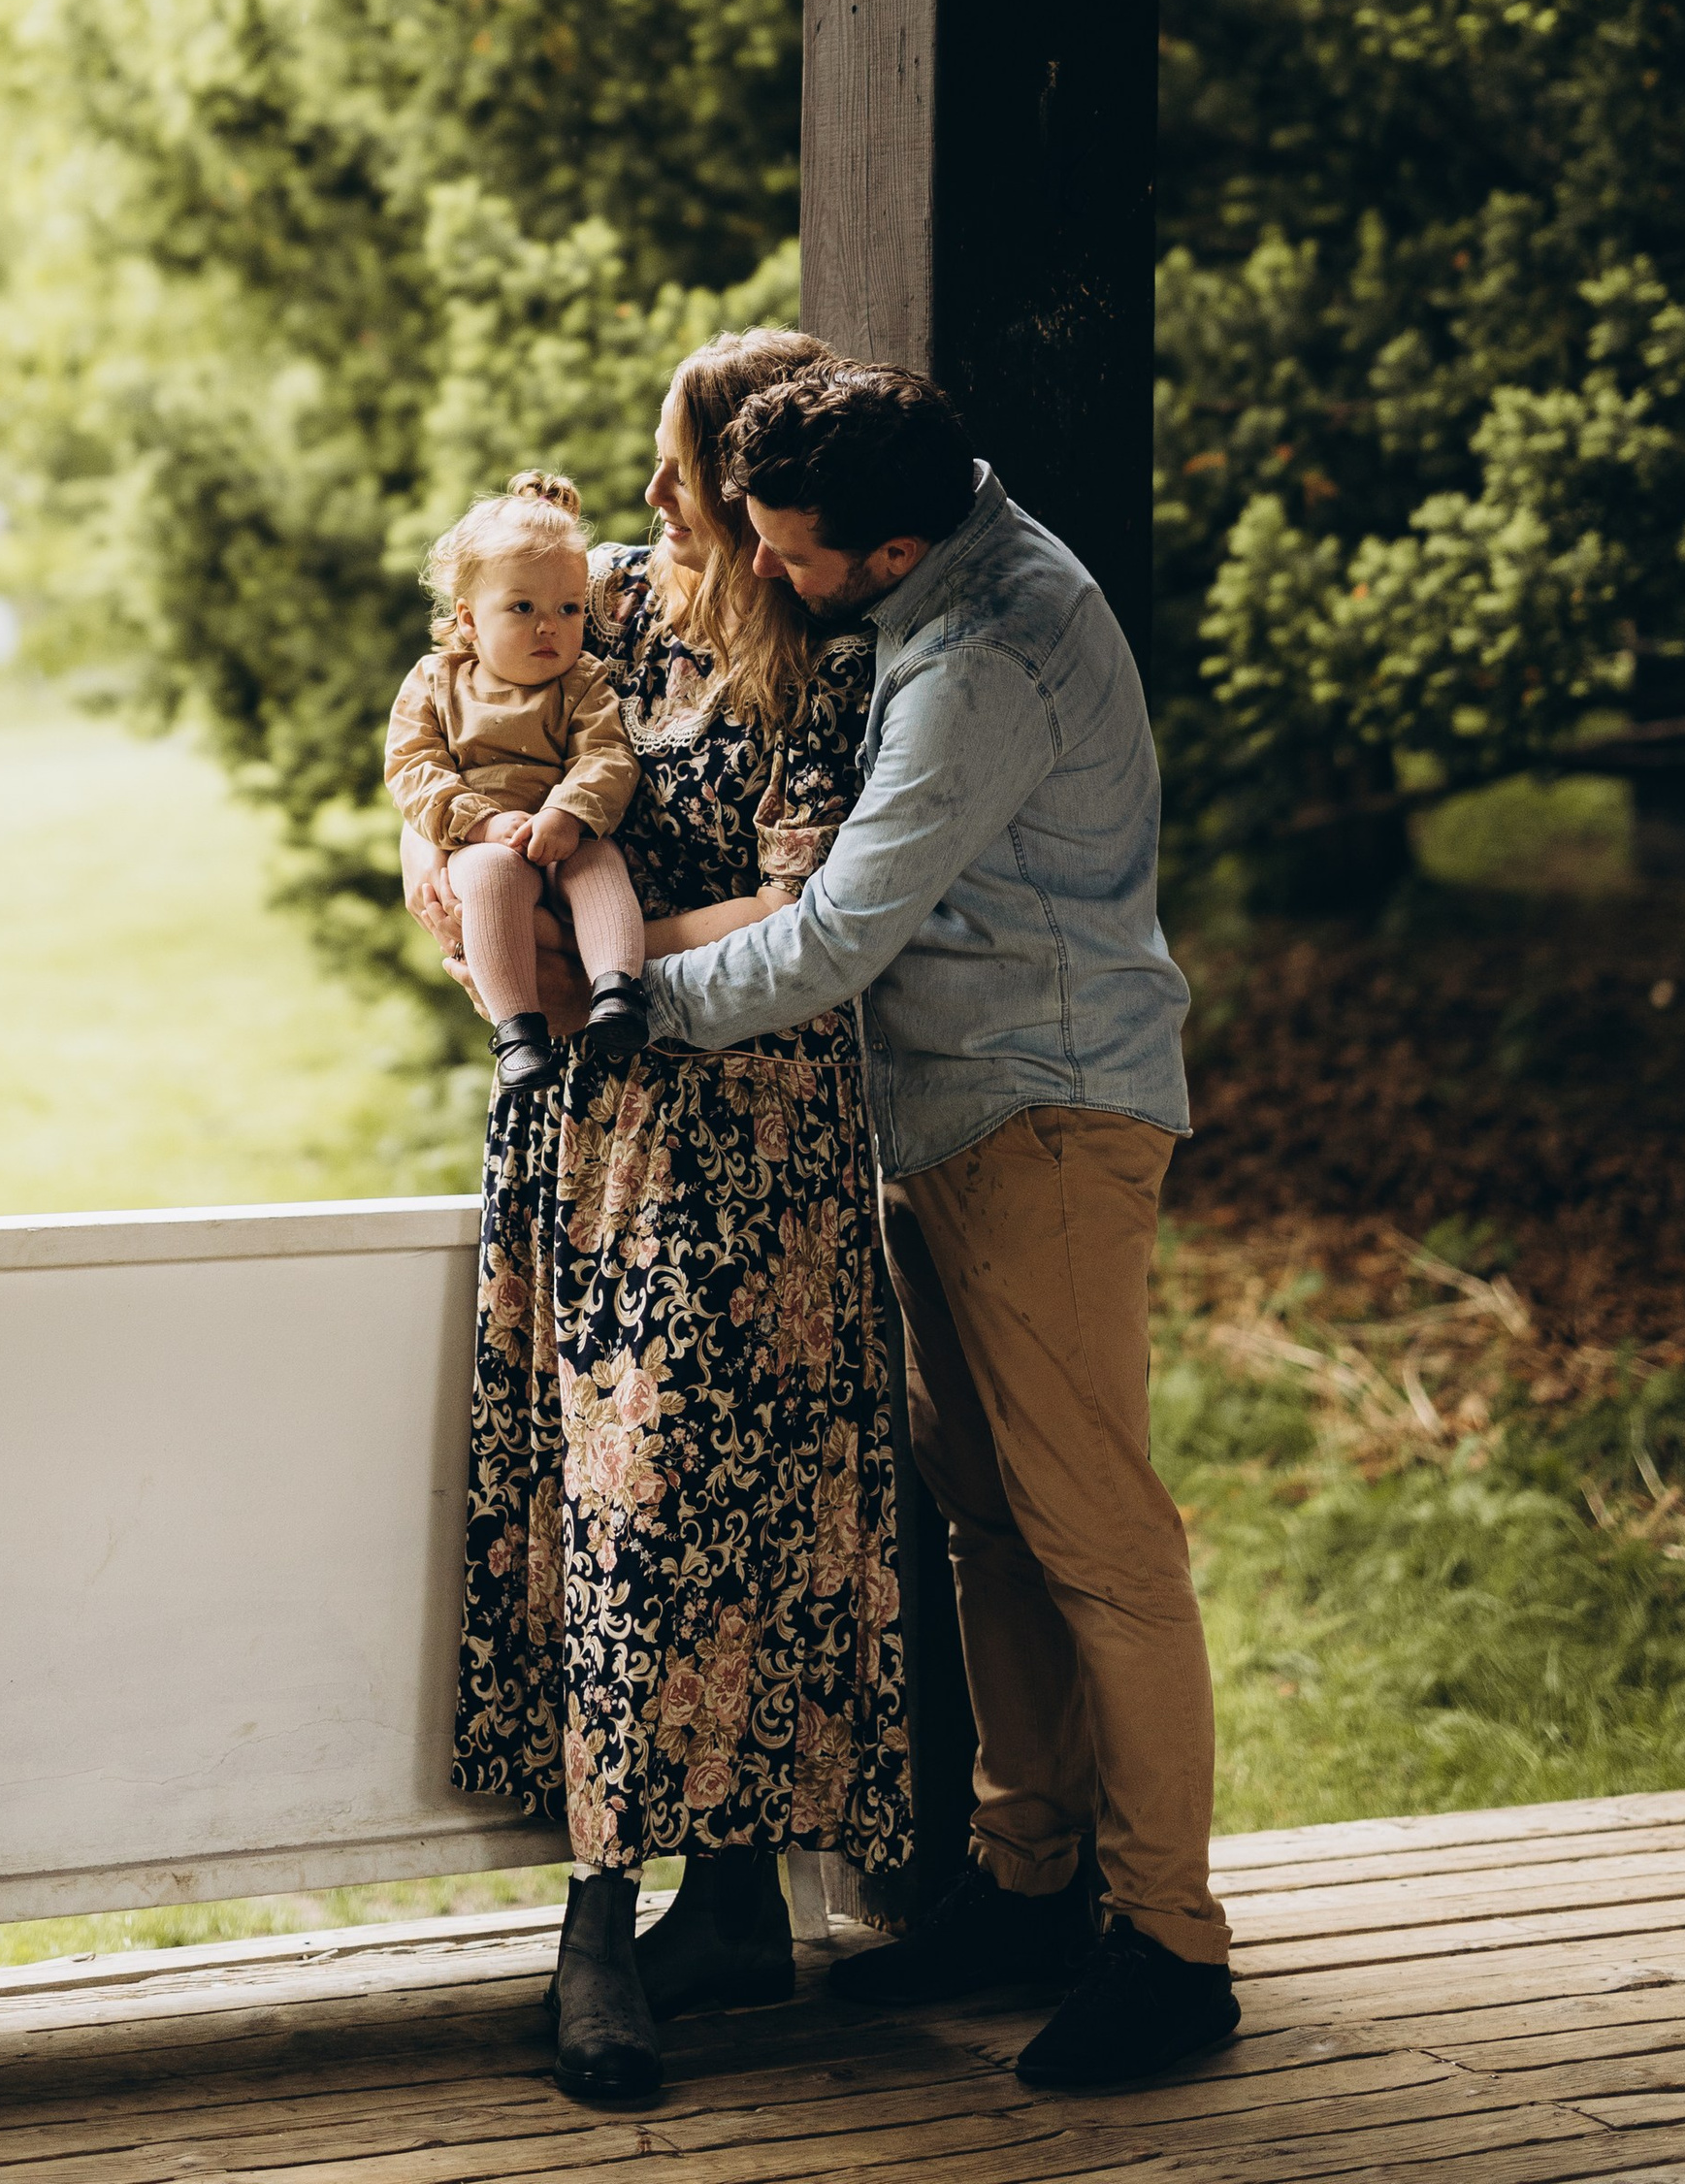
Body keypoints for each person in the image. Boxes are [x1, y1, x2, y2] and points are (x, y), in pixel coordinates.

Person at [637, 356, 1238, 2094]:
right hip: (959, 1111)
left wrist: (633, 1007)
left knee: (1099, 1541)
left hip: (1045, 1118)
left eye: (790, 554)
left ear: (889, 552)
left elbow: (832, 940)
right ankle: (1028, 1885)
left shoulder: (987, 655)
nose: (765, 576)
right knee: (988, 1523)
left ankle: (1172, 1949)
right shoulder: (927, 570)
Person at [406, 329, 911, 2109]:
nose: (640, 499)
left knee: (749, 1498)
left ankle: (733, 1900)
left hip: (760, 1136)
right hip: (591, 1125)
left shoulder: (824, 672)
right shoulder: (600, 608)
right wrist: (461, 877)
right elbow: (439, 717)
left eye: (669, 469)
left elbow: (810, 911)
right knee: (605, 1500)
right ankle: (600, 1913)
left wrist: (569, 947)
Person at [384, 472, 647, 1091]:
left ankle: (616, 993)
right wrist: (478, 821)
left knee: (600, 865)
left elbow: (608, 755)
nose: (549, 626)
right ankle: (517, 1029)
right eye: (522, 608)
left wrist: (569, 815)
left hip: (560, 831)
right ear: (470, 620)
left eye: (568, 608)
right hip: (484, 840)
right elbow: (413, 766)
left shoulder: (584, 682)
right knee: (489, 878)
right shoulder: (436, 682)